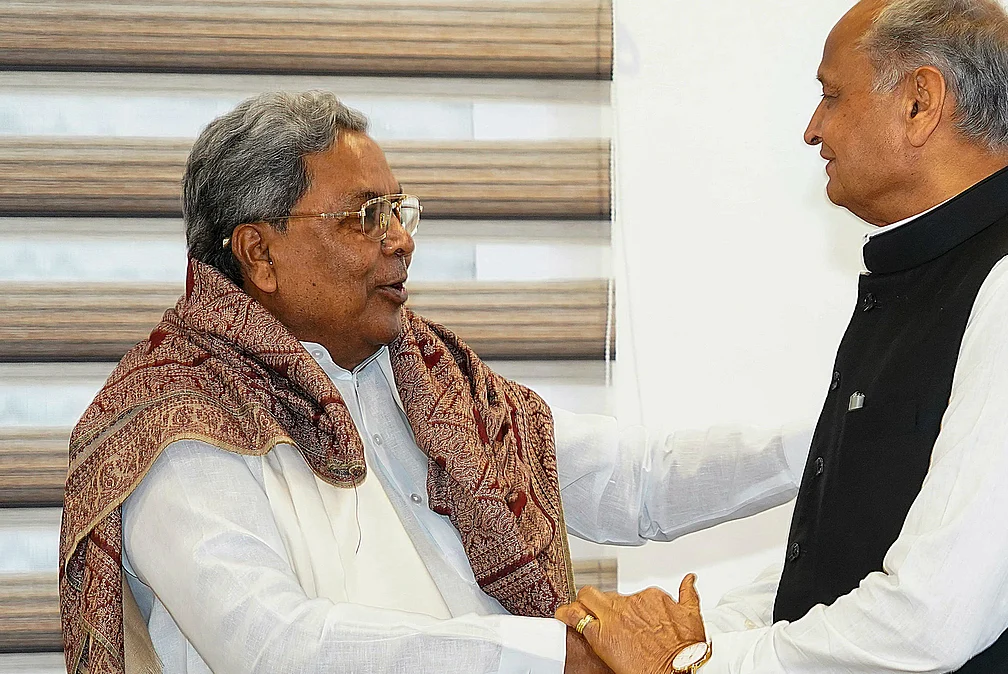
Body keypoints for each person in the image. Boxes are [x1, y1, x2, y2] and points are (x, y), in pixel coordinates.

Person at [58, 91, 813, 674]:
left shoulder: (425, 378)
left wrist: (837, 441)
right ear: (260, 253)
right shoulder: (173, 421)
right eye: (365, 217)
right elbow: (277, 646)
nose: (401, 240)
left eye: (399, 210)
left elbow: (630, 481)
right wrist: (567, 654)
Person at [556, 1, 1008, 672]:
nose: (814, 129)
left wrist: (689, 660)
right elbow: (842, 570)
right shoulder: (927, 278)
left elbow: (927, 619)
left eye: (832, 95)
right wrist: (700, 638)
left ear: (920, 103)